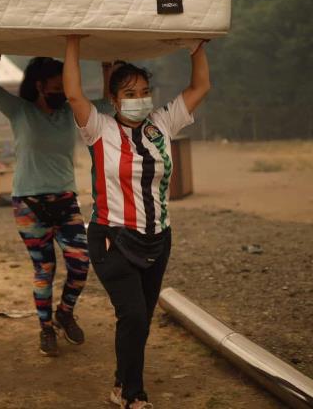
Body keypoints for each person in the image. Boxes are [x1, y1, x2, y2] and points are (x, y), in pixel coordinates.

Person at [62, 36, 211, 409]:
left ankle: (121, 382)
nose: (140, 99)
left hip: (158, 238)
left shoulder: (161, 123)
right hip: (112, 238)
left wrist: (196, 49)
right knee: (132, 315)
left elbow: (200, 87)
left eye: (145, 92)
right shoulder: (98, 128)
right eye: (130, 93)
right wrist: (72, 40)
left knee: (141, 319)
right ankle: (133, 395)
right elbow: (74, 93)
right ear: (114, 100)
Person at [0, 54, 112, 357]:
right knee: (44, 268)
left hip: (65, 200)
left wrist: (107, 69)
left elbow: (106, 106)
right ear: (39, 86)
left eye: (63, 88)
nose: (60, 93)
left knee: (80, 263)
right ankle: (46, 328)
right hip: (28, 203)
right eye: (55, 88)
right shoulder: (20, 111)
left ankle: (64, 313)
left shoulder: (70, 111)